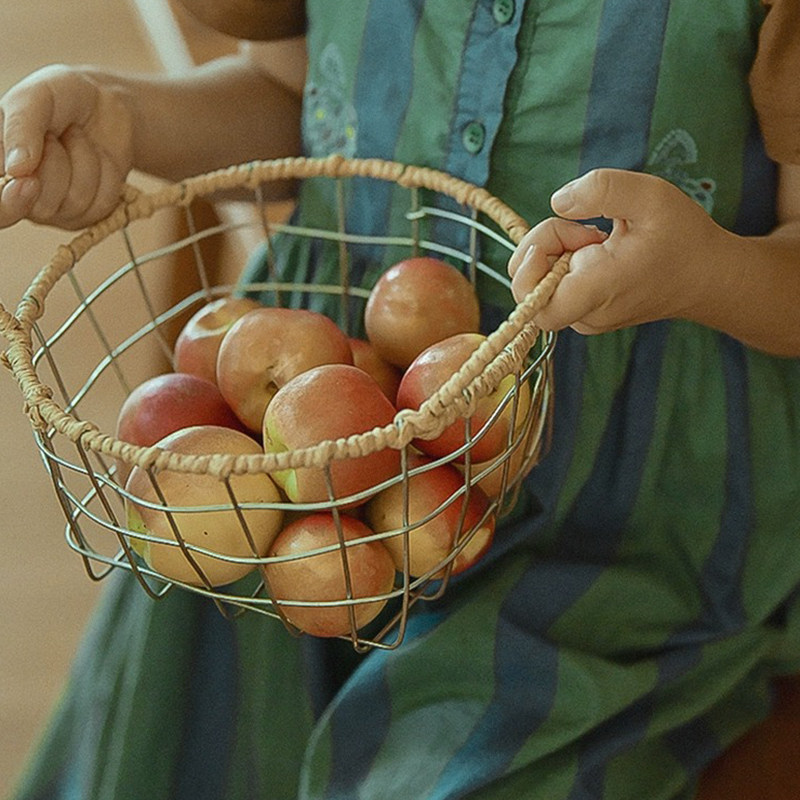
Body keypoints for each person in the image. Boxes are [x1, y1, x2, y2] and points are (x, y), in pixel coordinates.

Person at [2, 1, 799, 798]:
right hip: (302, 457)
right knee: (198, 731)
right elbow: (299, 103)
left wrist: (706, 272)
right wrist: (125, 113)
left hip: (613, 503)